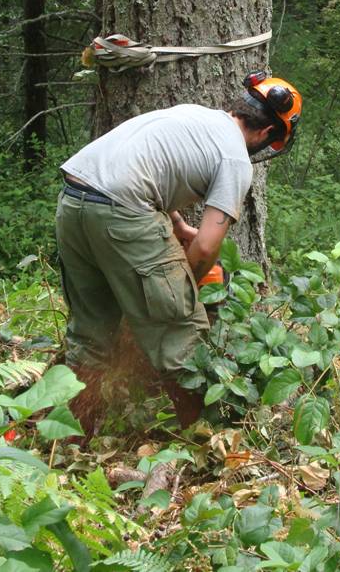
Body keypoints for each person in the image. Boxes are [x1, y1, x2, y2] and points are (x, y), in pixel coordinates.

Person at [55, 72, 302, 439]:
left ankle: (64, 442)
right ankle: (203, 442)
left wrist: (176, 227)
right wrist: (175, 289)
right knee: (181, 336)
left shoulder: (194, 116)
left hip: (74, 201)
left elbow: (142, 166)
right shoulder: (236, 159)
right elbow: (205, 248)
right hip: (123, 213)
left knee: (91, 336)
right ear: (268, 134)